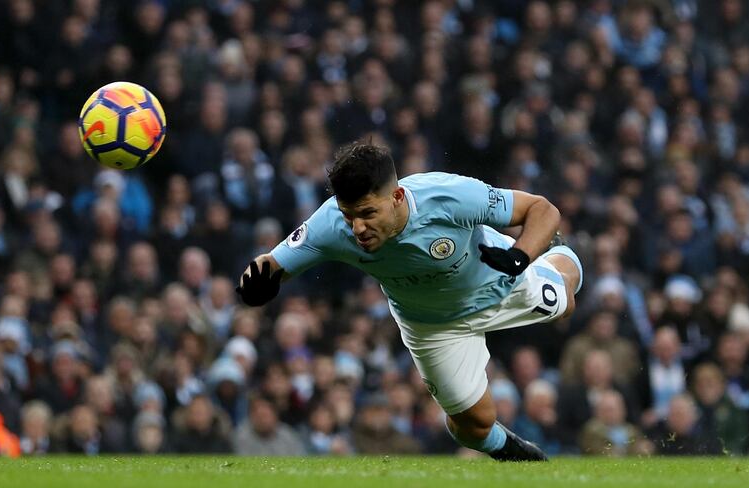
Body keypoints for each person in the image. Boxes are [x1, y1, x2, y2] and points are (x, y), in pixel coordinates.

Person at [238, 143, 584, 461]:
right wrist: (251, 287)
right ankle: (524, 457)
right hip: (431, 325)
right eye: (349, 216)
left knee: (565, 303)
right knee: (473, 428)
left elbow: (542, 208)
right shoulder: (329, 224)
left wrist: (521, 256)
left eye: (368, 213)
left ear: (398, 197)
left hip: (499, 282)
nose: (357, 228)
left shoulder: (449, 196)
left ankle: (556, 255)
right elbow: (270, 264)